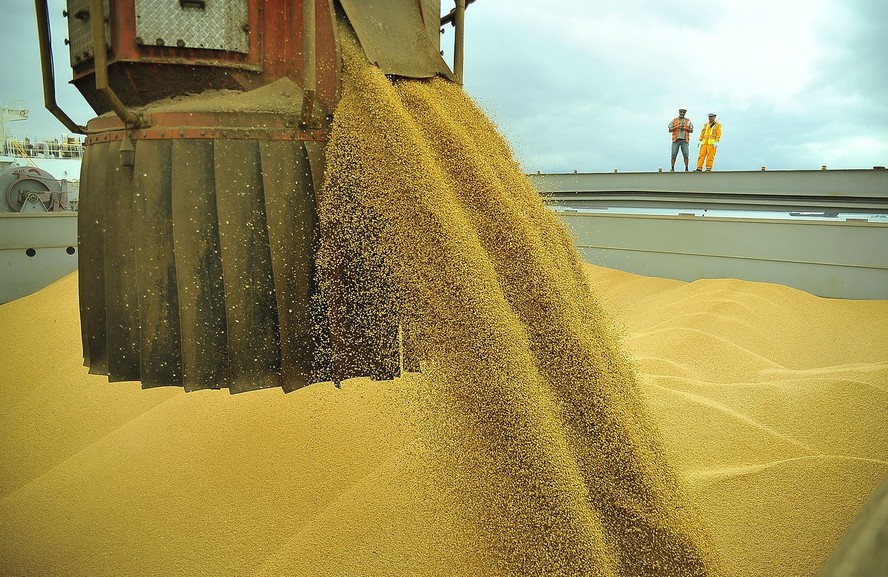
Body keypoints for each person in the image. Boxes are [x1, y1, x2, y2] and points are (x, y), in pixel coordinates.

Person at [668, 107, 694, 171]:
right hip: (676, 140)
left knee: (686, 154)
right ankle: (672, 168)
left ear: (685, 112)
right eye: (681, 111)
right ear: (679, 112)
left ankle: (686, 168)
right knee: (673, 154)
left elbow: (691, 130)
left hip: (684, 140)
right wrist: (677, 127)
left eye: (683, 112)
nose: (682, 113)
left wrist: (685, 129)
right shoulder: (674, 120)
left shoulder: (688, 121)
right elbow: (669, 129)